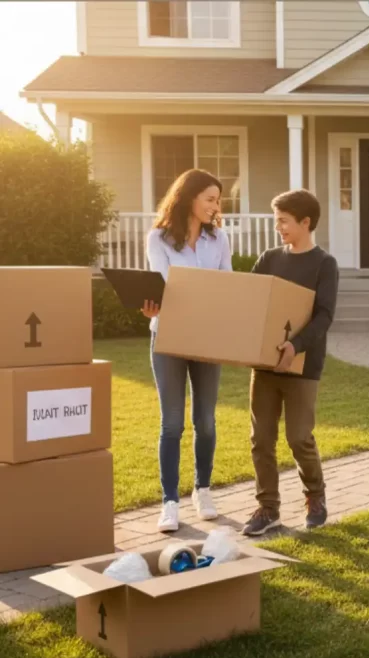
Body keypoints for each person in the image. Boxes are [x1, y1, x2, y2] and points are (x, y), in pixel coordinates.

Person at [242, 189, 339, 537]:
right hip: (264, 365)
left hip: (303, 366)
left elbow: (324, 316)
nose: (278, 227)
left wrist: (295, 346)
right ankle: (268, 508)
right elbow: (247, 299)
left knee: (299, 438)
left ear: (305, 222)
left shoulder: (324, 264)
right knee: (261, 439)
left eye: (283, 221)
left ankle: (315, 496)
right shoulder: (269, 258)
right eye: (276, 220)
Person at [143, 168, 232, 533]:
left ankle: (203, 489)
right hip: (168, 337)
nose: (215, 206)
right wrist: (154, 306)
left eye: (217, 200)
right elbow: (165, 286)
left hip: (207, 336)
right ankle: (169, 502)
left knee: (206, 422)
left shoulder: (219, 239)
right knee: (172, 423)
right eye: (209, 199)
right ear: (189, 198)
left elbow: (225, 283)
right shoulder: (159, 239)